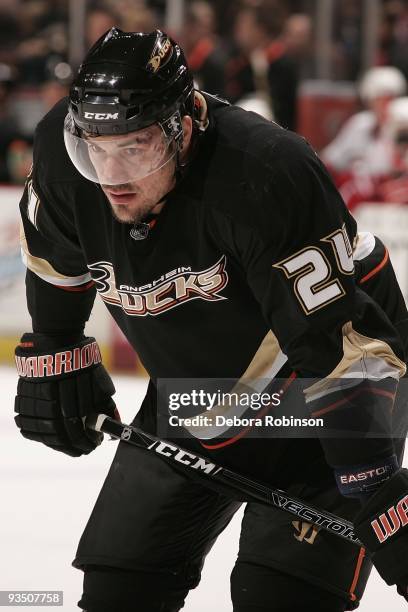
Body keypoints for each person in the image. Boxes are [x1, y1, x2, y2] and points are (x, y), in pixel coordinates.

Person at [14, 29, 408, 612]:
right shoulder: (65, 159)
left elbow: (337, 345)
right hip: (193, 396)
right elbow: (53, 255)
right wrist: (56, 345)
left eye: (137, 147)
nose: (113, 176)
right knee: (119, 592)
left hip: (316, 394)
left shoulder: (264, 171)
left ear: (187, 124)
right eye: (96, 149)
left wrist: (372, 480)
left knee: (278, 598)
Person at [322, 66, 407, 176]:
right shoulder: (360, 123)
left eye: (390, 98)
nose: (384, 104)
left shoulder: (403, 125)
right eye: (379, 99)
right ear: (369, 100)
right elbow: (331, 158)